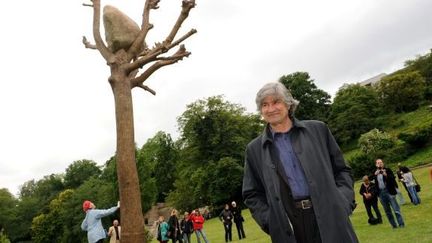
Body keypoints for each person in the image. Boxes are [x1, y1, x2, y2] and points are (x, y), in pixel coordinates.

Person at [242, 82, 358, 243]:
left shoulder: (318, 130)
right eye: (264, 105)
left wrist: (343, 202)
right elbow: (252, 194)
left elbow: (342, 170)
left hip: (330, 214)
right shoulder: (254, 149)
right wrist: (271, 222)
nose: (271, 109)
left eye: (276, 102)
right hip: (291, 225)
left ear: (288, 104)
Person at [373, 158, 405, 228]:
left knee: (396, 209)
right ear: (376, 165)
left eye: (381, 162)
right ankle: (394, 225)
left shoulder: (387, 170)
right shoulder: (375, 173)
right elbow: (374, 183)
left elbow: (392, 179)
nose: (380, 164)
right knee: (387, 212)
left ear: (383, 163)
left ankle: (401, 224)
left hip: (389, 191)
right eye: (378, 163)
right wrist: (375, 175)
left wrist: (386, 175)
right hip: (381, 193)